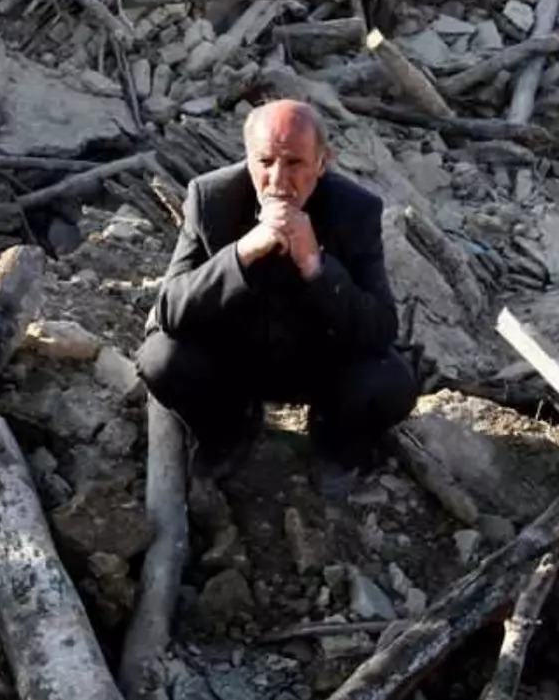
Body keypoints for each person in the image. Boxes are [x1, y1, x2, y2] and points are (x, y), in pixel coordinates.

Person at [138, 100, 417, 493]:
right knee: (161, 359)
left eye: (295, 163)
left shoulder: (356, 211)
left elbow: (381, 328)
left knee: (391, 382)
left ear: (322, 163)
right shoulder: (211, 199)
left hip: (319, 364)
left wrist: (316, 266)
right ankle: (230, 429)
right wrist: (241, 254)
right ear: (248, 159)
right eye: (265, 162)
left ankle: (333, 441)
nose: (278, 180)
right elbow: (168, 310)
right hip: (235, 362)